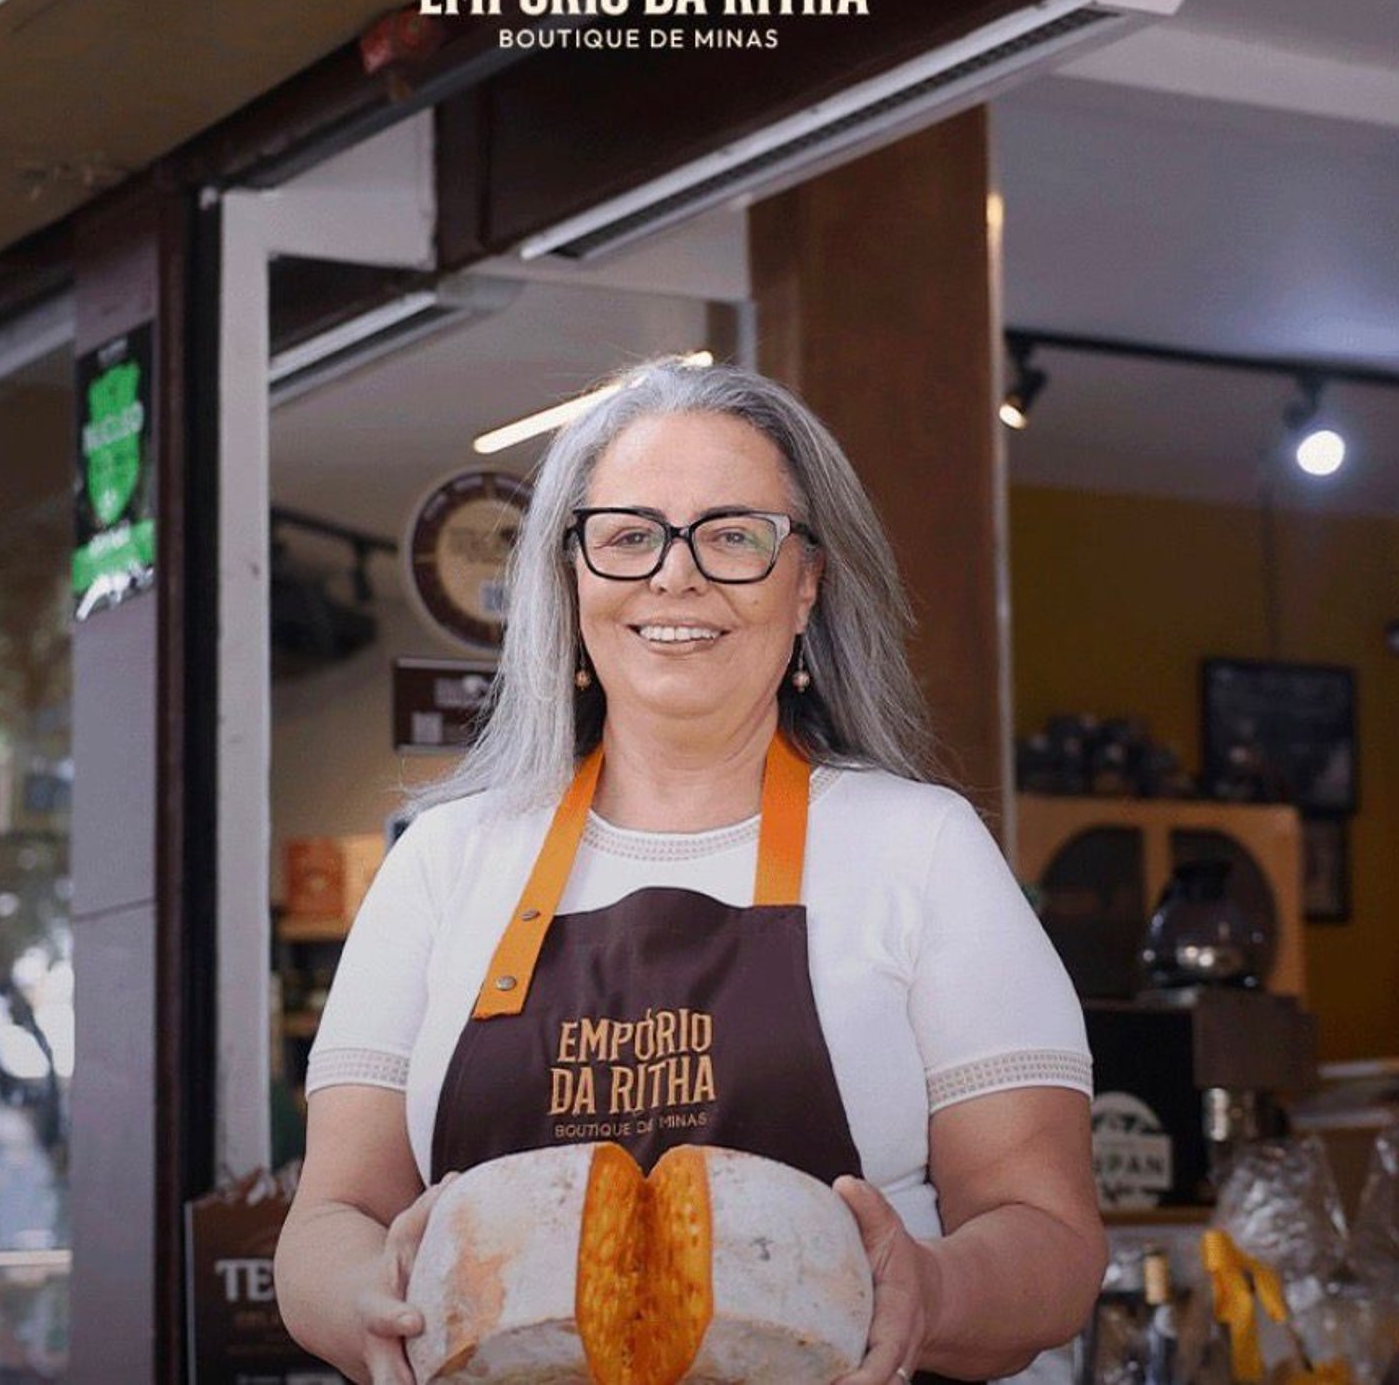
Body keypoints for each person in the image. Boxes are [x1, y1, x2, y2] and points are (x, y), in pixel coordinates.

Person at [277, 359, 1106, 1385]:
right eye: (628, 536)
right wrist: (370, 1306)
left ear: (807, 583)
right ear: (570, 576)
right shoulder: (444, 864)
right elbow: (333, 1217)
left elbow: (1051, 1238)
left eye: (734, 535)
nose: (676, 576)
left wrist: (929, 1292)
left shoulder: (921, 849)